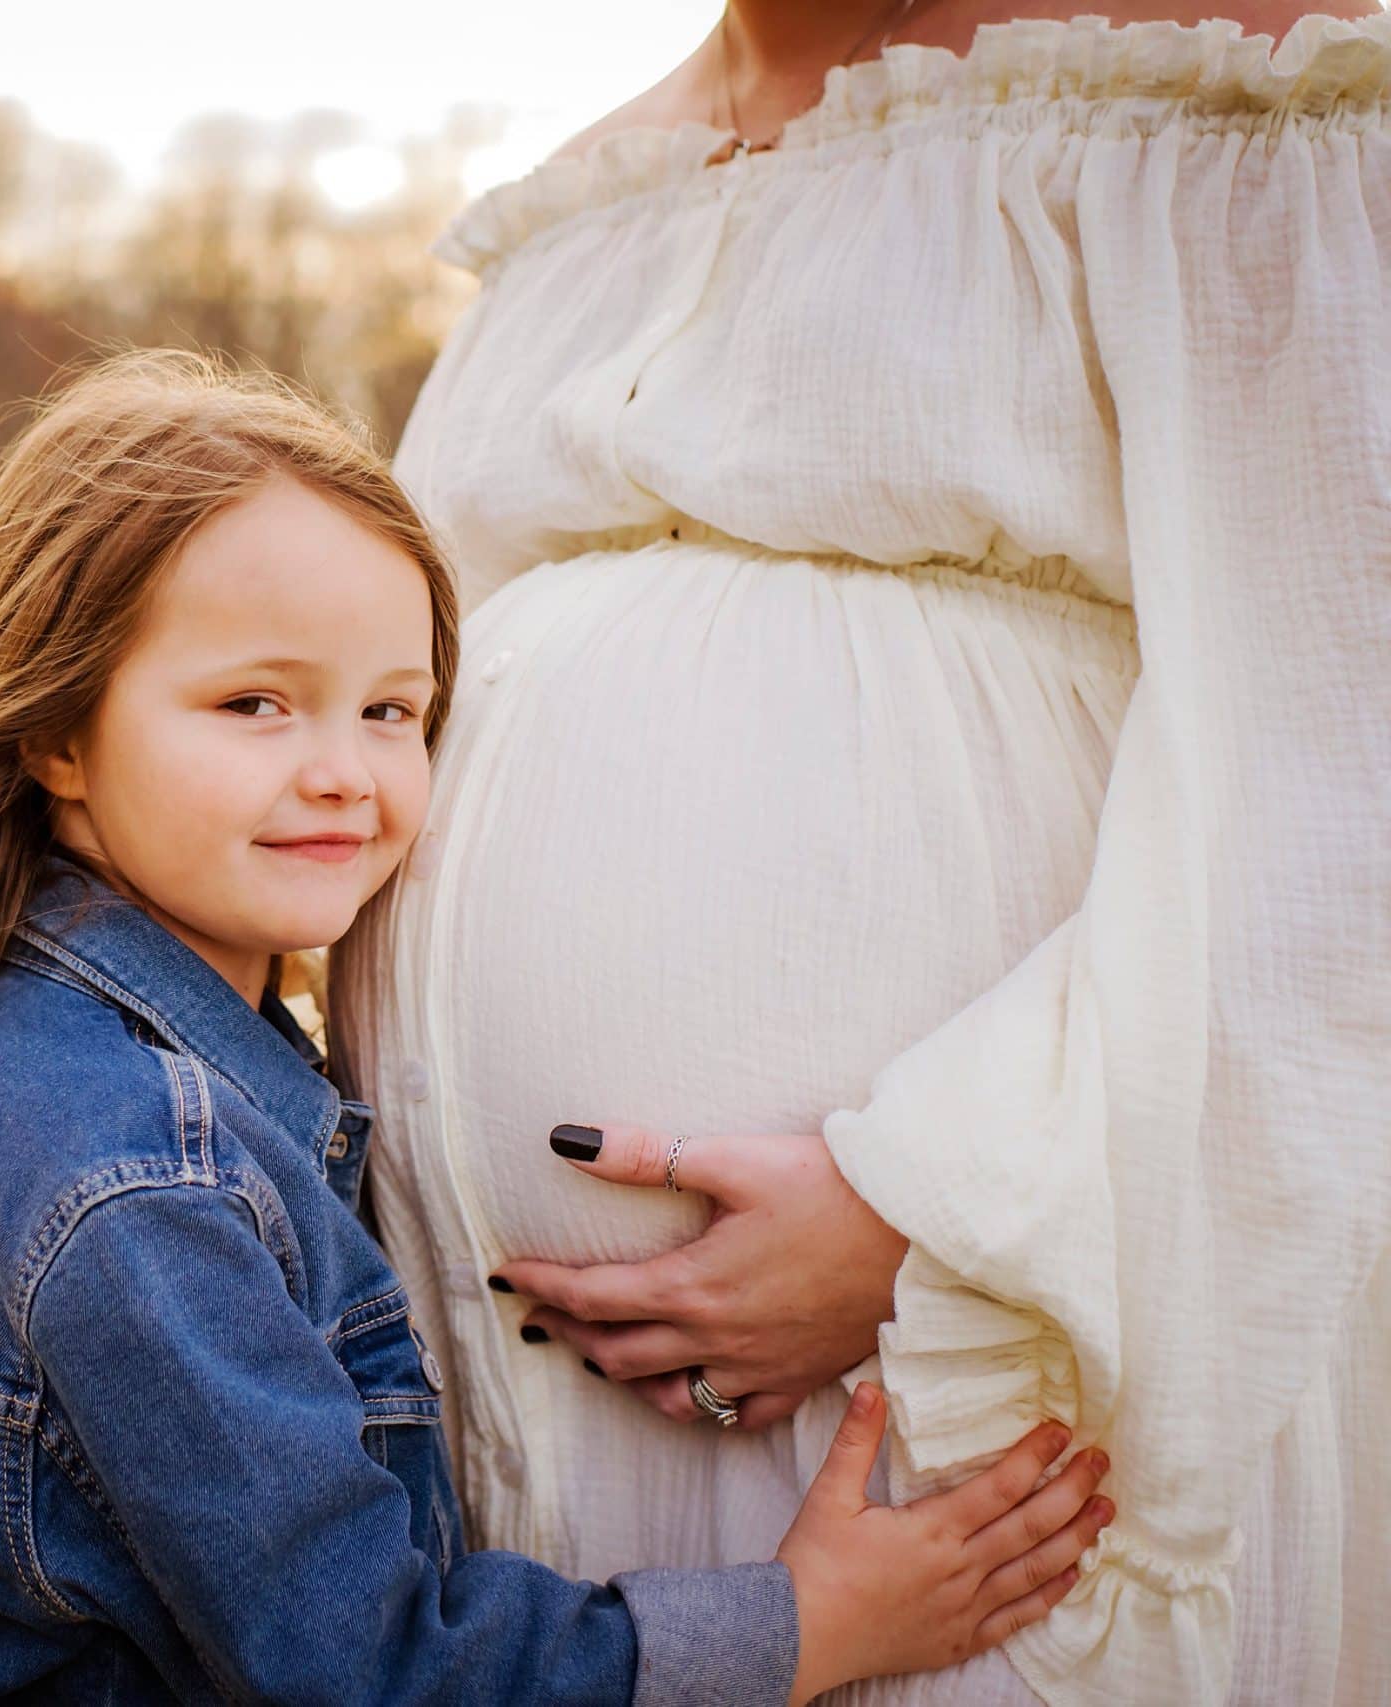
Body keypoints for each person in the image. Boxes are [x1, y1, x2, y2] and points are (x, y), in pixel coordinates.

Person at [0, 351, 1112, 1704]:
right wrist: (812, 1622)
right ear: (58, 731)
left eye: (392, 711)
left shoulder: (97, 1046)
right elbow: (371, 1674)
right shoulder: (136, 1183)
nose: (345, 773)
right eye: (256, 704)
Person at [331, 4, 1391, 1702]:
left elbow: (1342, 778)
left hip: (985, 1331)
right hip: (509, 1368)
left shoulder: (1243, 100)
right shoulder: (581, 200)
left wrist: (931, 1213)